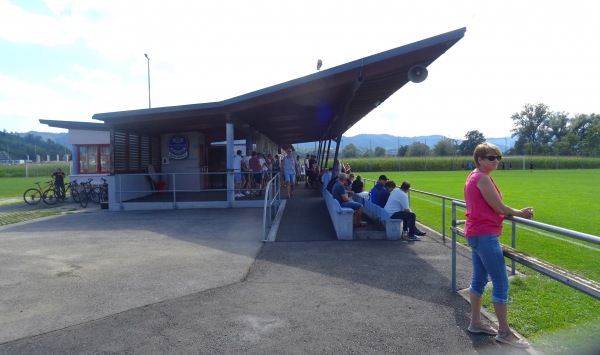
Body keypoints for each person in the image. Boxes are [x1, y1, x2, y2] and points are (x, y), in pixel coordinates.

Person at [464, 142, 533, 348]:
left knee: (479, 279)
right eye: (491, 157)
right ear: (480, 159)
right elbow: (499, 207)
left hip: (476, 233)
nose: (496, 161)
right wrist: (522, 213)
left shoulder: (474, 176)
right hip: (485, 235)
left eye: (498, 157)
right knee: (501, 282)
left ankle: (475, 322)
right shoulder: (482, 178)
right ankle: (504, 332)